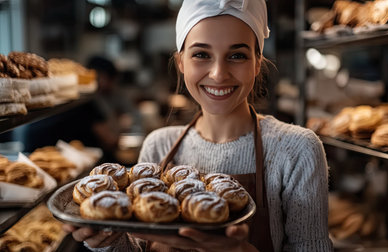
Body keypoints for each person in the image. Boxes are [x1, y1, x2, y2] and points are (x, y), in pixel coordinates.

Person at [63, 0, 333, 251]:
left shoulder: (297, 150)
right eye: (201, 54)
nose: (218, 74)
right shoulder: (159, 146)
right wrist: (108, 242)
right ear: (181, 62)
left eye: (237, 55)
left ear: (257, 63)